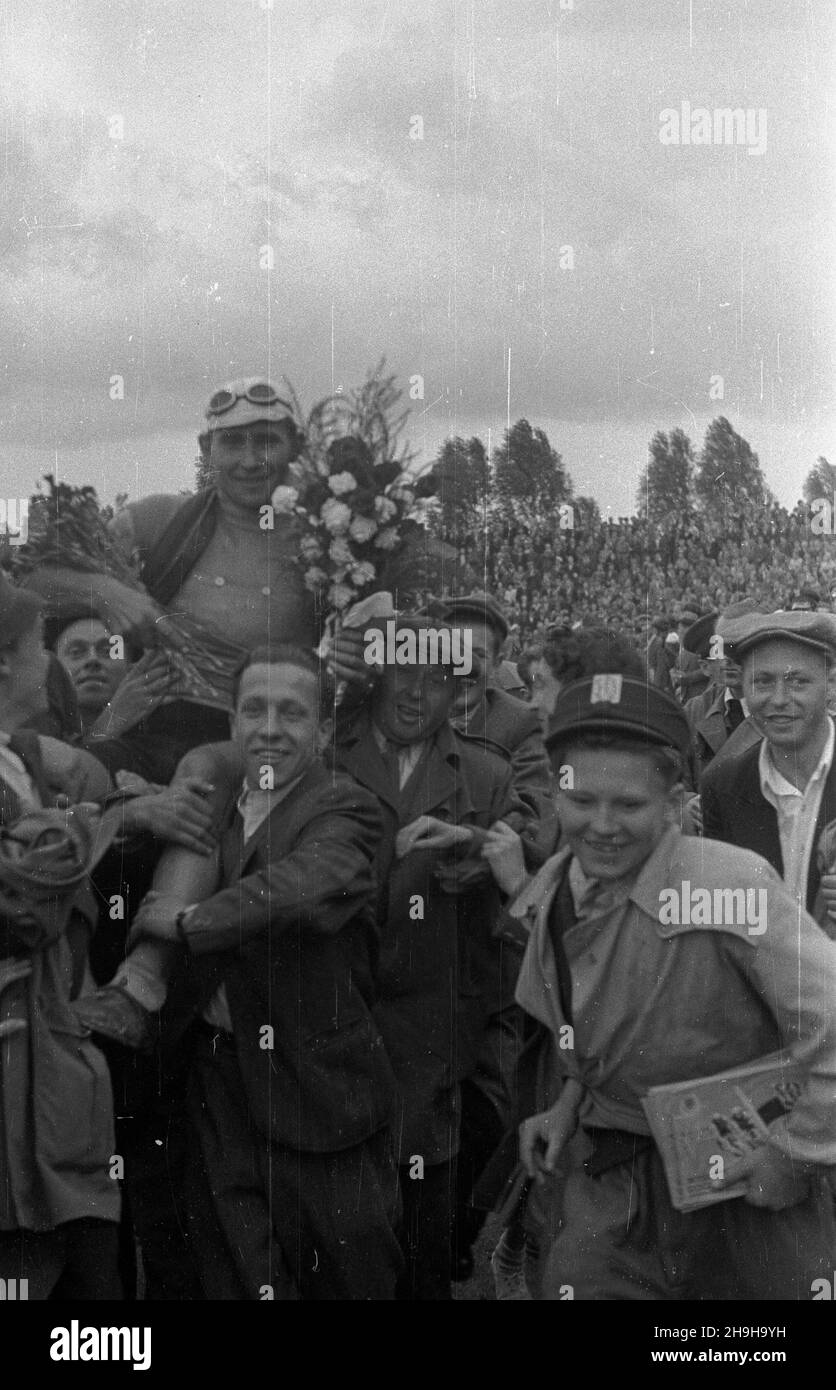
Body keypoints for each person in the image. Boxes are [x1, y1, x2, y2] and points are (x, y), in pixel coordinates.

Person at [512, 674, 836, 1300]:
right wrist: (567, 1100)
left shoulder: (726, 885)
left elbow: (830, 1020)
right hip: (617, 1173)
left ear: (674, 802)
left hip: (745, 1176)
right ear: (557, 795)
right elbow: (594, 1021)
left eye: (629, 805)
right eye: (582, 801)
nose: (601, 826)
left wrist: (797, 1153)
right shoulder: (555, 890)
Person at [121, 645, 402, 1299]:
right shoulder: (211, 808)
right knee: (239, 1276)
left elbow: (301, 887)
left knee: (348, 1278)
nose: (269, 728)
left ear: (324, 732)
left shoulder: (346, 809)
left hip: (318, 1090)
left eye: (291, 713)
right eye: (254, 710)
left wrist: (188, 923)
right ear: (232, 722)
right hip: (220, 1083)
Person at [334, 615, 526, 1299]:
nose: (417, 694)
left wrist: (486, 860)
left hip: (434, 1044)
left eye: (437, 680)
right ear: (377, 674)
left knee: (421, 1237)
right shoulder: (326, 752)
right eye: (403, 673)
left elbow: (516, 901)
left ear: (461, 694)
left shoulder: (485, 774)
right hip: (335, 1030)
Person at [26, 380, 318, 779]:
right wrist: (106, 592)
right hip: (146, 739)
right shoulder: (162, 520)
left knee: (198, 783)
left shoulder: (323, 546)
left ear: (295, 446)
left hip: (256, 749)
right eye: (232, 442)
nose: (250, 461)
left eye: (266, 441)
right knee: (42, 764)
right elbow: (32, 581)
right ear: (205, 449)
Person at [0, 573, 123, 1297]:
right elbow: (28, 906)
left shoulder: (22, 756)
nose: (49, 660)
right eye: (40, 643)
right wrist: (83, 832)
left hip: (45, 1040)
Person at [701, 610, 836, 926]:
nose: (778, 699)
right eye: (762, 681)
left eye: (798, 681)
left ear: (830, 684)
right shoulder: (722, 786)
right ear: (744, 687)